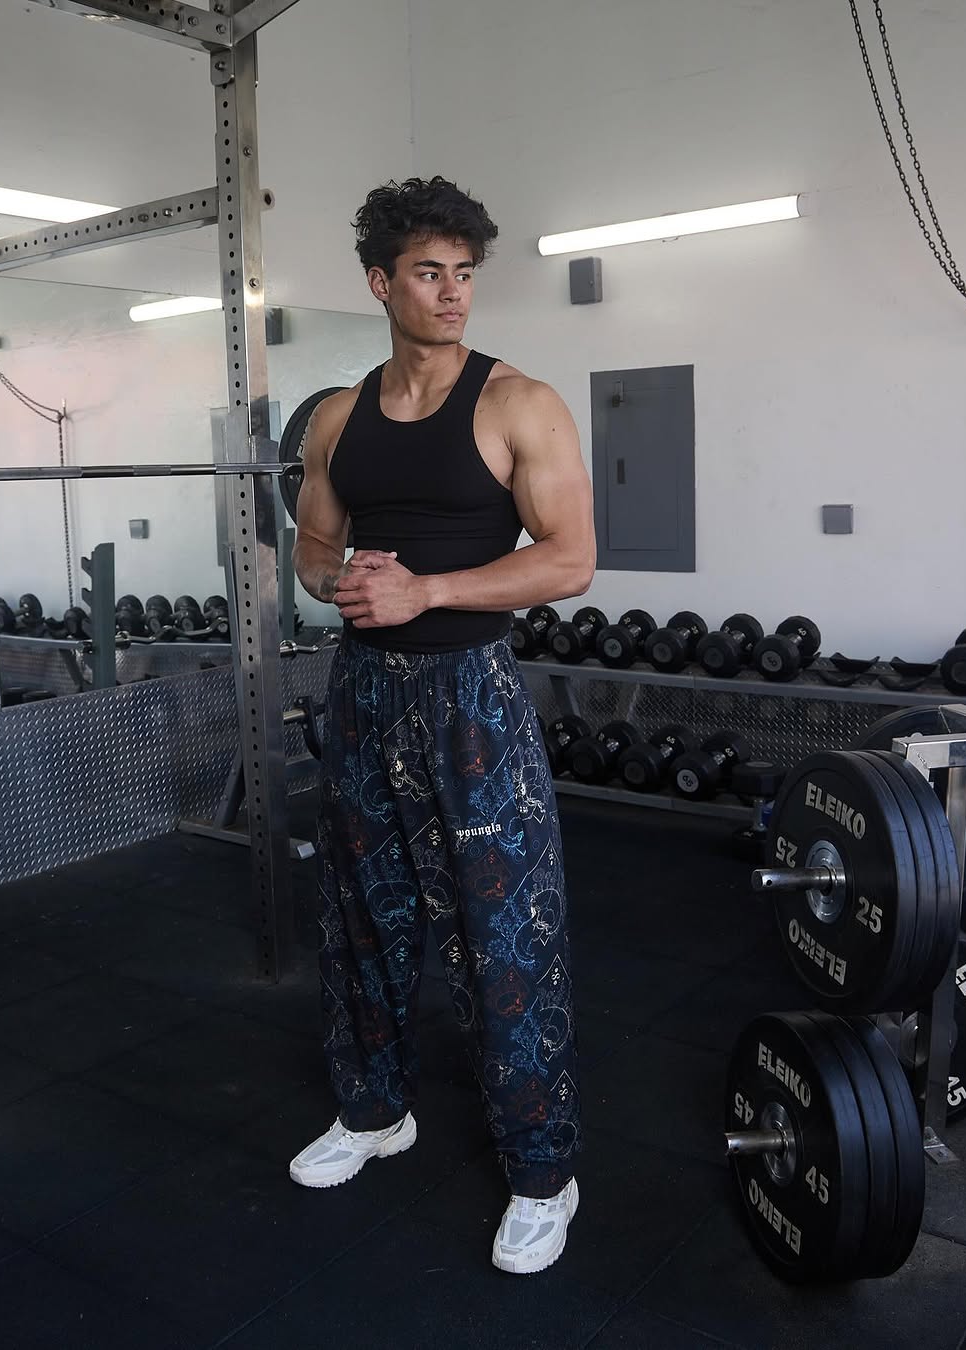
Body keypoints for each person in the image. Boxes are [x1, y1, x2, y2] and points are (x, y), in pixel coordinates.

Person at [289, 176, 596, 1275]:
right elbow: (311, 543)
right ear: (381, 283)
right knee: (360, 917)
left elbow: (570, 559)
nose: (454, 293)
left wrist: (428, 591)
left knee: (505, 935)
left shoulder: (520, 403)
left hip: (471, 696)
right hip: (363, 692)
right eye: (430, 273)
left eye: (464, 273)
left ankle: (544, 1172)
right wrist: (338, 583)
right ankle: (374, 1113)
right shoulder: (338, 418)